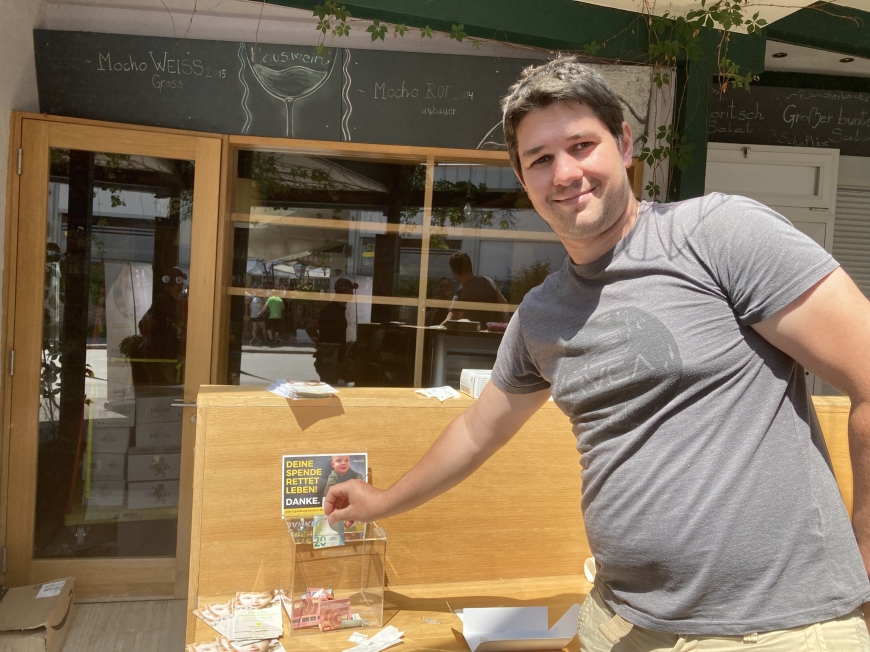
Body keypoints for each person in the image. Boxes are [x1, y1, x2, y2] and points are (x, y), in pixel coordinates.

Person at [324, 57, 870, 651]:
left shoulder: (717, 236)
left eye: (582, 144)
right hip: (618, 622)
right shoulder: (542, 313)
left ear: (625, 143)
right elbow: (478, 431)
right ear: (524, 180)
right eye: (540, 159)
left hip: (777, 630)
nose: (565, 172)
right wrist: (382, 501)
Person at [306, 278, 356, 384]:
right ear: (345, 292)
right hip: (330, 361)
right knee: (330, 390)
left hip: (338, 358)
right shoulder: (331, 310)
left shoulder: (339, 309)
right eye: (350, 290)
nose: (352, 293)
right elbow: (311, 329)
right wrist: (323, 344)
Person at [441, 252, 509, 329]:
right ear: (470, 267)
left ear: (454, 272)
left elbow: (448, 323)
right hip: (496, 338)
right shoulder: (488, 282)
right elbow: (504, 304)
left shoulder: (461, 295)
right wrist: (504, 325)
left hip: (475, 339)